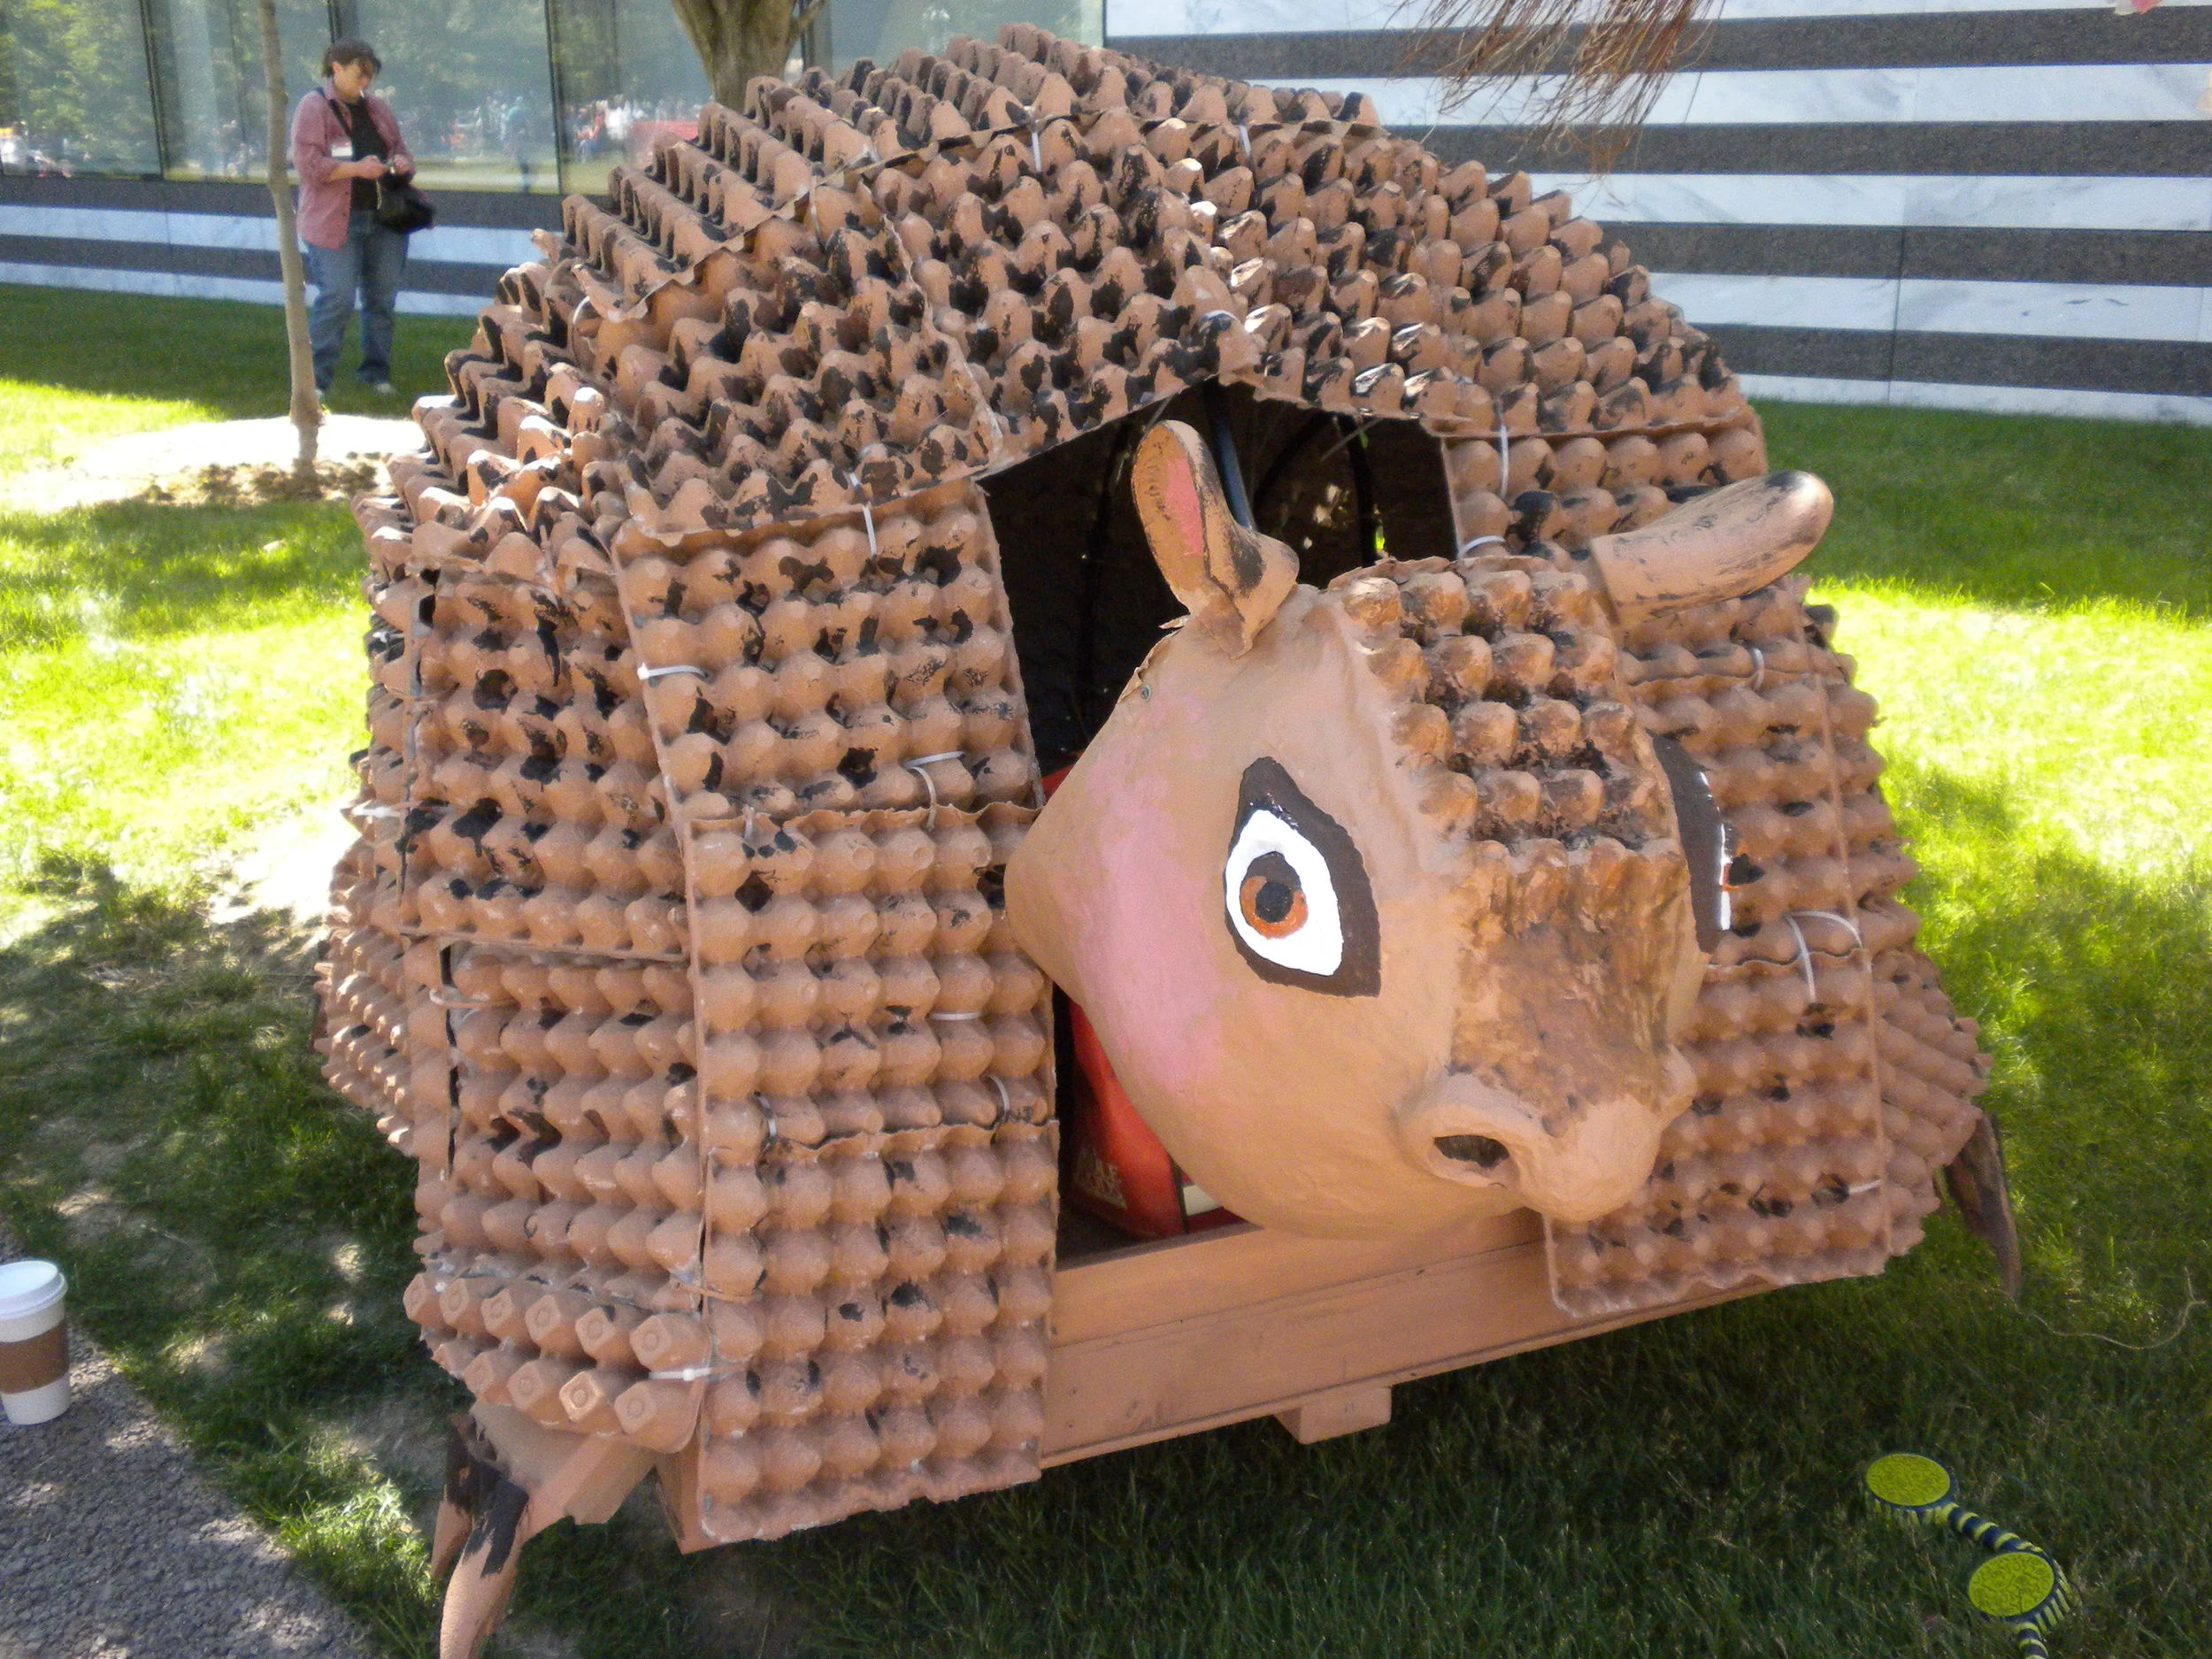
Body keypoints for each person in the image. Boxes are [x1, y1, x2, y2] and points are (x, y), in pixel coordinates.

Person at [289, 39, 415, 397]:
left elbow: (399, 151)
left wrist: (402, 163)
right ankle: (316, 381)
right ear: (336, 68)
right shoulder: (313, 107)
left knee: (382, 298)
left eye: (369, 76)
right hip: (334, 221)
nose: (365, 83)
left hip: (384, 218)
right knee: (338, 297)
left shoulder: (376, 108)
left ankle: (375, 373)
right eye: (359, 74)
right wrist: (355, 169)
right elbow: (309, 166)